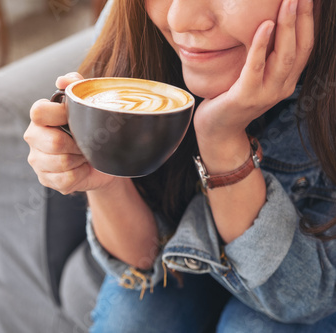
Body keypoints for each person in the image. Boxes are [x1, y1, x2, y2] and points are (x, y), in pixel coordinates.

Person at [24, 0, 336, 331]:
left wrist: (222, 140)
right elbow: (142, 262)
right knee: (134, 318)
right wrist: (106, 179)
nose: (179, 20)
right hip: (192, 265)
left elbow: (299, 299)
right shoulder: (134, 22)